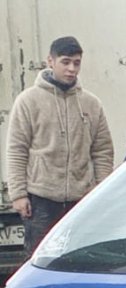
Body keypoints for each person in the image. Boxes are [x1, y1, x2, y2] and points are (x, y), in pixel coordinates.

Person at [4, 36, 114, 256]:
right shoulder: (28, 101)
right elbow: (17, 148)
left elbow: (102, 150)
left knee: (82, 259)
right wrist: (18, 194)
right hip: (41, 200)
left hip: (81, 200)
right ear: (50, 61)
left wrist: (101, 191)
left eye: (76, 63)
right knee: (38, 260)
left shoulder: (91, 104)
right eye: (65, 62)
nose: (72, 69)